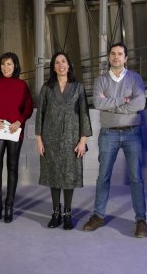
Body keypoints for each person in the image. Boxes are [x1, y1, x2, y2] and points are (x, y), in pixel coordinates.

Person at [82, 43, 147, 237]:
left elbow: (140, 103)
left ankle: (141, 220)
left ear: (126, 58)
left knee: (136, 178)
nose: (116, 57)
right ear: (109, 57)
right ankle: (98, 215)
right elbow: (98, 103)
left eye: (120, 54)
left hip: (132, 132)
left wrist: (112, 105)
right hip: (109, 133)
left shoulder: (135, 78)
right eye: (113, 54)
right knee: (103, 176)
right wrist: (124, 100)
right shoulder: (101, 80)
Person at [35, 52, 92, 230]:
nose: (61, 65)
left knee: (68, 175)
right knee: (53, 175)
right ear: (53, 67)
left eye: (64, 61)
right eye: (57, 62)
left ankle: (67, 213)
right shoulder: (46, 88)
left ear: (69, 65)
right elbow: (40, 115)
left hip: (71, 138)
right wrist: (39, 139)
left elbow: (84, 114)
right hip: (50, 138)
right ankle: (55, 213)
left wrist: (83, 140)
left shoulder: (78, 88)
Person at [0, 52, 33, 223]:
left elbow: (28, 107)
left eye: (9, 64)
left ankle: (9, 206)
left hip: (13, 130)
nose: (6, 68)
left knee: (12, 167)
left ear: (15, 66)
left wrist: (19, 121)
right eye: (3, 64)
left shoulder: (21, 85)